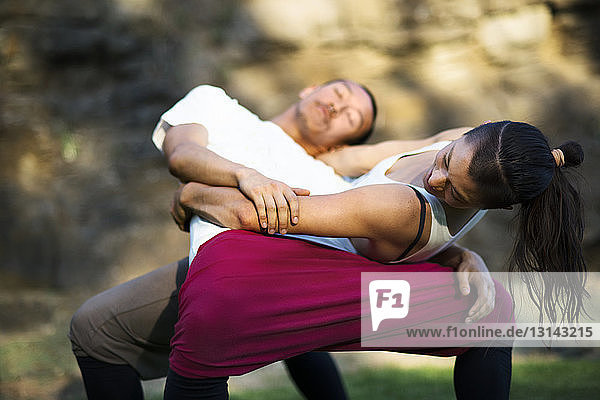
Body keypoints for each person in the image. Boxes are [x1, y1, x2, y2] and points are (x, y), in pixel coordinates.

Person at [70, 79, 489, 400]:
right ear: (311, 88)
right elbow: (181, 155)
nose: (339, 106)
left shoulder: (336, 176)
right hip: (226, 273)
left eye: (351, 119)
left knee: (96, 330)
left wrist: (458, 254)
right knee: (95, 327)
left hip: (282, 280)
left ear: (344, 143)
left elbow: (396, 203)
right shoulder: (215, 103)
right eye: (340, 93)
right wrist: (245, 176)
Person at [164, 120, 587, 399]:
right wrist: (459, 252)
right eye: (445, 159)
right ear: (470, 134)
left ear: (488, 206)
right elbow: (345, 160)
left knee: (208, 341)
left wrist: (190, 195)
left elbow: (254, 215)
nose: (434, 179)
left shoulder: (398, 207)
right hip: (329, 239)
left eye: (454, 192)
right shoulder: (483, 152)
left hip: (330, 268)